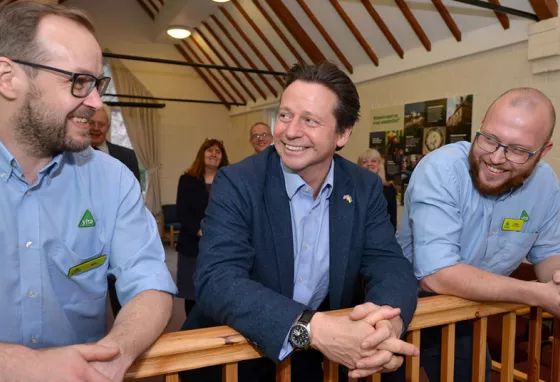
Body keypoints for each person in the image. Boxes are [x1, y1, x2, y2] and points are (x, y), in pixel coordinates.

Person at [181, 62, 419, 382]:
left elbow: (390, 264)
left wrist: (386, 325)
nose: (290, 131)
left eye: (309, 120)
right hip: (231, 358)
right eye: (285, 115)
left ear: (343, 134)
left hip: (311, 363)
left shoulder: (363, 188)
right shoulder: (238, 182)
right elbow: (217, 280)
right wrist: (313, 328)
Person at [0, 2, 177, 381]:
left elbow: (150, 284)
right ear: (7, 77)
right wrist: (22, 366)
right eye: (78, 81)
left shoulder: (112, 180)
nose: (96, 103)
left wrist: (115, 354)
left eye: (98, 84)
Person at [390, 87, 560, 382]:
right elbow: (437, 274)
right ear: (481, 124)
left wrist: (557, 281)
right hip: (403, 306)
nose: (495, 157)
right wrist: (537, 294)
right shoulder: (441, 170)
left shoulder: (546, 184)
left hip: (468, 310)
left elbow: (548, 255)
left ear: (543, 151)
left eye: (518, 150)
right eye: (490, 139)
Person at [176, 138, 229, 317]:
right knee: (191, 292)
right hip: (191, 244)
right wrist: (199, 230)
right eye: (209, 150)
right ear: (202, 154)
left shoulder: (230, 181)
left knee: (217, 288)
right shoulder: (187, 179)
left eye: (218, 151)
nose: (213, 154)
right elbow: (182, 212)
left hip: (221, 244)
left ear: (222, 157)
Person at [89, 104, 141, 182]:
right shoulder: (70, 155)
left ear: (108, 127)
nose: (96, 128)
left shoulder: (128, 156)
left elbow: (134, 192)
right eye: (91, 123)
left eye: (101, 124)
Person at [358, 149, 397, 231]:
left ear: (379, 164)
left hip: (382, 236)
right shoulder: (353, 188)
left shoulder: (389, 189)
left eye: (373, 161)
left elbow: (392, 220)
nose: (369, 164)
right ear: (359, 165)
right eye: (364, 162)